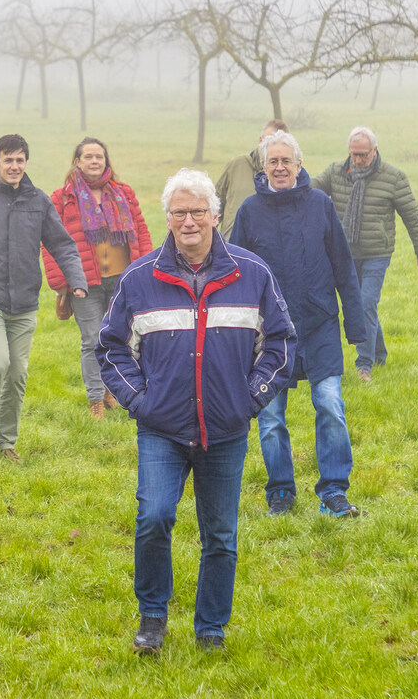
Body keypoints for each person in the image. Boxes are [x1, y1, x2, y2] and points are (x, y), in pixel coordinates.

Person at [98, 169, 295, 655]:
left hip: (226, 429)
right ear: (167, 218)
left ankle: (211, 628)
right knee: (154, 518)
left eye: (198, 212)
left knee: (221, 534)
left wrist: (250, 398)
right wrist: (140, 402)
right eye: (180, 213)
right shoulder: (140, 279)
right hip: (161, 429)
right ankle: (153, 618)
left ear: (215, 216)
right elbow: (110, 348)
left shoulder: (252, 273)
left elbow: (281, 344)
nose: (190, 222)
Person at [229, 130, 368, 517]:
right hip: (270, 333)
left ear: (298, 165)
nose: (279, 167)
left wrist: (357, 329)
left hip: (319, 323)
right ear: (264, 167)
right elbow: (236, 277)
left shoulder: (321, 205)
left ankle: (334, 492)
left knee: (330, 405)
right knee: (271, 417)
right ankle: (281, 493)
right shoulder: (249, 212)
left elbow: (343, 266)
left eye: (285, 161)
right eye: (272, 161)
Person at [0, 133, 88, 460]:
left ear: (26, 163)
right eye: (7, 160)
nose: (14, 166)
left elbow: (62, 244)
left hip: (24, 302)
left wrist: (76, 280)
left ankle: (6, 442)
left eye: (19, 160)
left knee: (18, 373)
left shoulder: (37, 201)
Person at [42, 137, 154, 419]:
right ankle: (94, 399)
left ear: (106, 161)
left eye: (99, 157)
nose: (94, 161)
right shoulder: (62, 198)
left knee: (120, 337)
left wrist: (146, 270)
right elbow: (49, 241)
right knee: (92, 339)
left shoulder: (123, 193)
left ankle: (110, 391)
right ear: (77, 161)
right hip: (84, 284)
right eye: (88, 156)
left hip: (121, 280)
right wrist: (63, 282)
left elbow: (140, 230)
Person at [311, 127, 418, 380]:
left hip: (378, 252)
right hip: (345, 253)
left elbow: (412, 216)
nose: (357, 160)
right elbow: (310, 190)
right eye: (353, 154)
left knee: (366, 302)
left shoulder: (393, 177)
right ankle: (379, 355)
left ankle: (363, 364)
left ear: (375, 151)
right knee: (364, 306)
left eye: (363, 155)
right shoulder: (335, 172)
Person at [213, 118, 287, 236]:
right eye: (268, 140)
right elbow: (214, 205)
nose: (271, 147)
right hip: (230, 247)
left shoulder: (285, 178)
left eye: (277, 143)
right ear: (260, 140)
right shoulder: (237, 165)